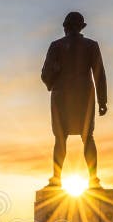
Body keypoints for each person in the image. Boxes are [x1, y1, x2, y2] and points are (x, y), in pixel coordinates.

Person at [41, 11, 107, 187]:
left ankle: (56, 178)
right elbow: (100, 75)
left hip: (61, 96)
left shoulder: (56, 46)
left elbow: (45, 75)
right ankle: (93, 179)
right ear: (80, 27)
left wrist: (54, 75)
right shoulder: (91, 45)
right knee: (88, 137)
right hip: (84, 96)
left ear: (65, 27)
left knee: (60, 138)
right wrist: (103, 101)